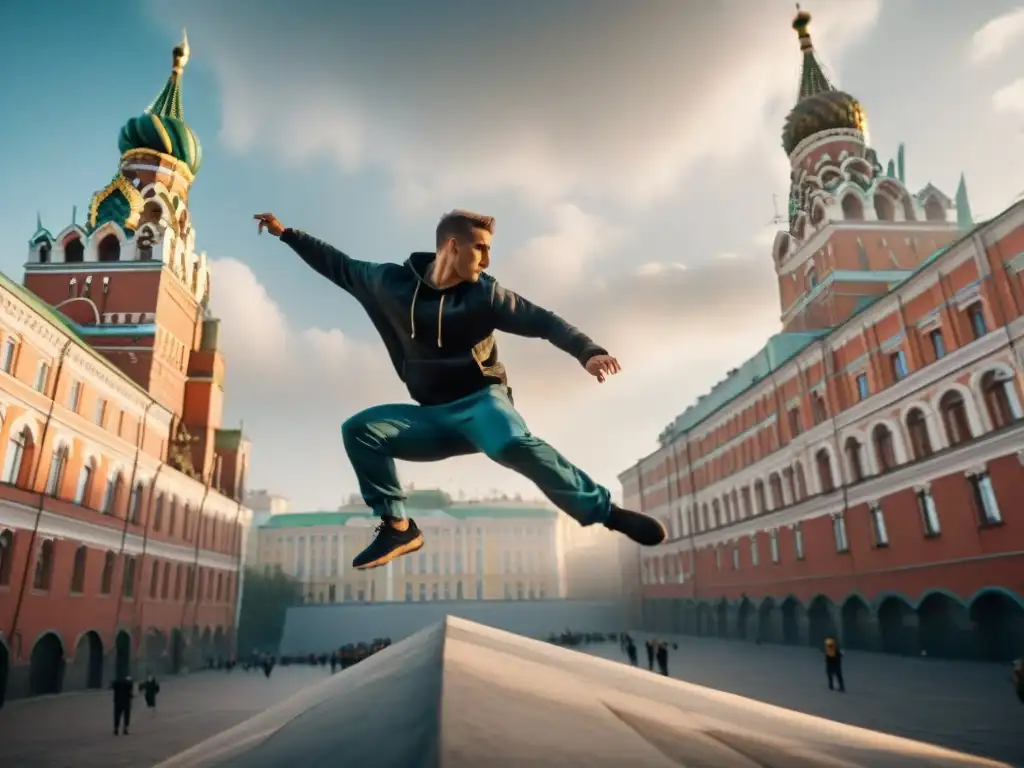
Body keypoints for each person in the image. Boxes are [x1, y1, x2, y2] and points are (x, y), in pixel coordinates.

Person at [254, 210, 667, 569]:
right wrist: (287, 234)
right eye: (480, 249)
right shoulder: (388, 282)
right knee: (359, 430)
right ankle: (398, 527)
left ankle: (605, 512)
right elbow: (338, 265)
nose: (487, 260)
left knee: (509, 443)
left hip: (482, 404)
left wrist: (587, 351)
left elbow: (544, 321)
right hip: (431, 416)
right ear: (452, 246)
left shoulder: (485, 294)